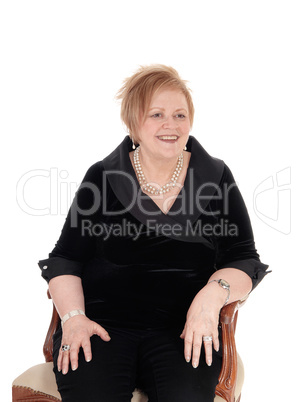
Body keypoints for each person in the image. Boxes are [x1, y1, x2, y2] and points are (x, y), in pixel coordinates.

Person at [38, 64, 269, 402]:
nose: (170, 125)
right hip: (102, 325)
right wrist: (73, 318)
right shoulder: (103, 176)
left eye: (179, 115)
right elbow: (66, 259)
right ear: (134, 124)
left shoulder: (215, 176)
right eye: (156, 114)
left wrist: (211, 297)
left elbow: (244, 258)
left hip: (184, 329)